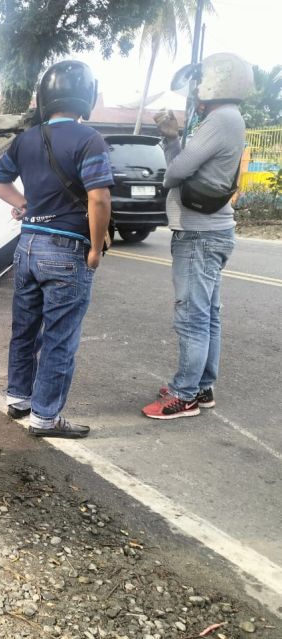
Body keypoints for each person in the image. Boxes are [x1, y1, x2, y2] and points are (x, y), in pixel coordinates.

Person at [0, 60, 113, 439]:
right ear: (85, 97)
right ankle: (46, 417)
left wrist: (26, 205)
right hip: (66, 248)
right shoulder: (88, 138)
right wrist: (94, 247)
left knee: (25, 329)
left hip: (27, 247)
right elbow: (100, 199)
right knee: (60, 336)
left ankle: (18, 398)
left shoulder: (27, 138)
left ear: (46, 98)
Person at [141, 53, 253, 420]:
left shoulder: (220, 119)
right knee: (208, 315)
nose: (194, 91)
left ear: (214, 82)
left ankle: (184, 395)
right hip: (212, 231)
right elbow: (183, 164)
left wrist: (174, 153)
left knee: (192, 316)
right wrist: (173, 138)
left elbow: (177, 172)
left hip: (200, 235)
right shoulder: (227, 118)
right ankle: (202, 386)